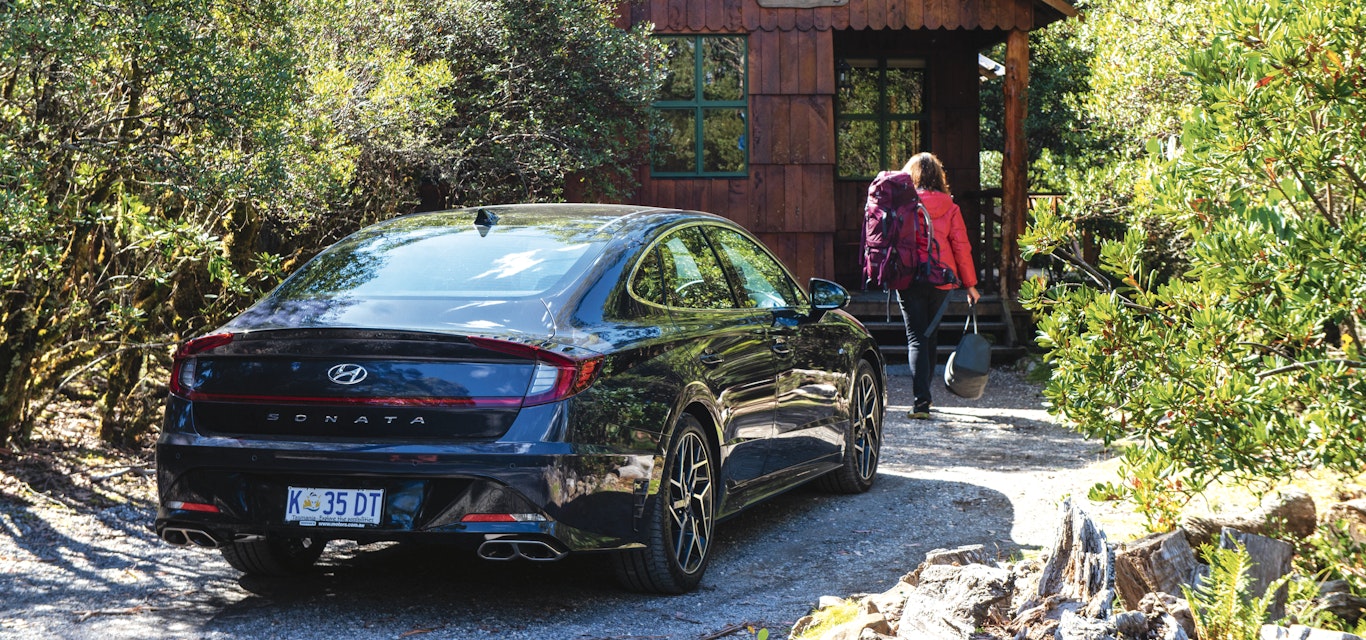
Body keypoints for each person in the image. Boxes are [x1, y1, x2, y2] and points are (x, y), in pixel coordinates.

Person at [898, 152, 979, 419]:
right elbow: (960, 246)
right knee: (929, 336)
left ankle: (921, 403)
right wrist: (970, 285)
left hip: (909, 277)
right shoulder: (950, 207)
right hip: (942, 279)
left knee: (916, 339)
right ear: (938, 176)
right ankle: (925, 399)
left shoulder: (903, 203)